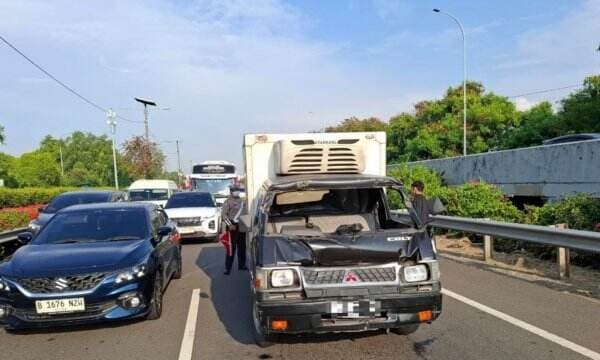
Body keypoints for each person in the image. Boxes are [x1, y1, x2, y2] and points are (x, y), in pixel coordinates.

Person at [221, 185, 247, 275]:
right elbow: (224, 215)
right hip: (232, 226)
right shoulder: (227, 202)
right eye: (235, 190)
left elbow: (245, 213)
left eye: (238, 190)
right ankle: (227, 268)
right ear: (231, 191)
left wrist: (248, 224)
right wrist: (230, 224)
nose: (237, 192)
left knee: (242, 247)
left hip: (242, 225)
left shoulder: (242, 201)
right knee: (231, 248)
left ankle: (242, 265)